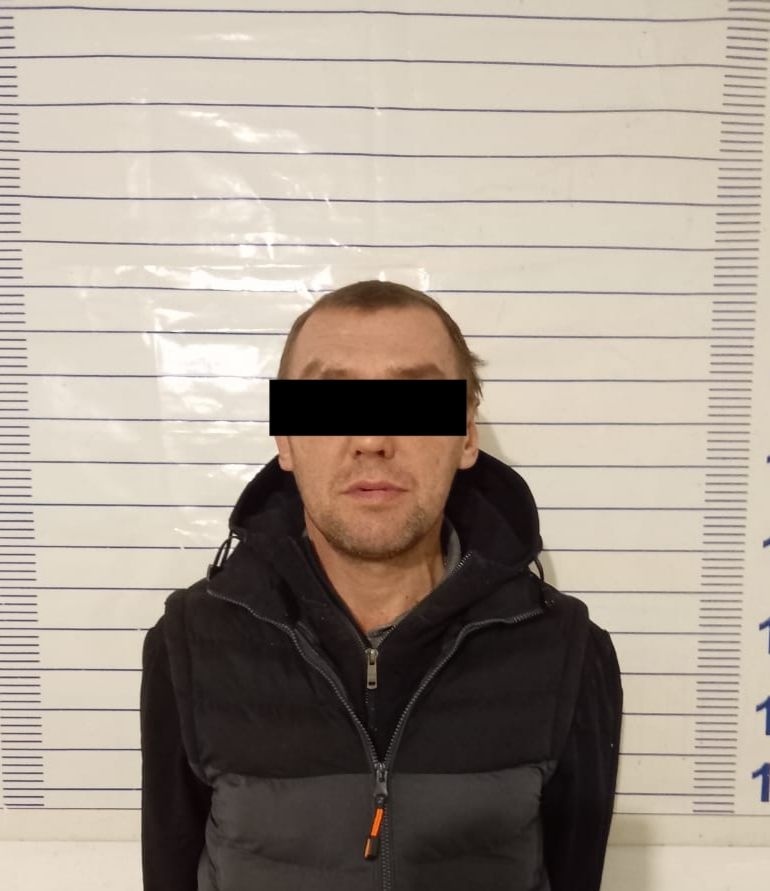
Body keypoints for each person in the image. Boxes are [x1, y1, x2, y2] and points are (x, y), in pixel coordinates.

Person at [140, 279, 623, 891]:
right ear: (285, 438)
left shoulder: (567, 651)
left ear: (466, 434)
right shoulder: (189, 642)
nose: (371, 439)